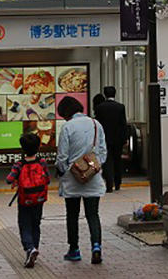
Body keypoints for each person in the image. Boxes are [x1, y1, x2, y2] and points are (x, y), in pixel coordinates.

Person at [56, 95, 107, 264]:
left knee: (72, 215)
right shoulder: (96, 124)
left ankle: (74, 250)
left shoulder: (67, 127)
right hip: (93, 177)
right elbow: (103, 151)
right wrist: (93, 169)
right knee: (93, 214)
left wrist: (62, 171)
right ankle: (96, 246)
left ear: (66, 112)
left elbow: (62, 156)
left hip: (72, 178)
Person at [7, 132, 51, 268]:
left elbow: (8, 180)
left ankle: (30, 248)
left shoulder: (19, 164)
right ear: (38, 147)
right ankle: (33, 250)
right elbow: (48, 180)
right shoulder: (42, 162)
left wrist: (16, 179)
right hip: (39, 199)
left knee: (25, 226)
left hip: (24, 200)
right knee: (35, 225)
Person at [92, 86, 128, 193]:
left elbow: (98, 124)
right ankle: (118, 183)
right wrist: (124, 138)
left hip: (105, 138)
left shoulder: (100, 108)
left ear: (105, 94)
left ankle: (109, 184)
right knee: (118, 161)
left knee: (107, 161)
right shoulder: (120, 107)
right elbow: (123, 124)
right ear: (115, 94)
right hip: (118, 139)